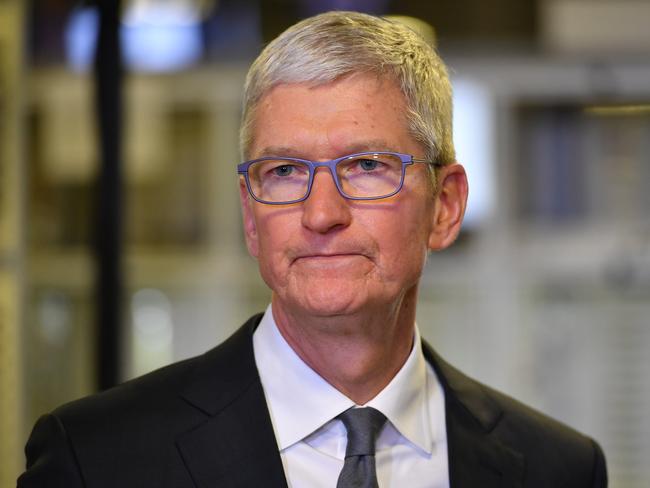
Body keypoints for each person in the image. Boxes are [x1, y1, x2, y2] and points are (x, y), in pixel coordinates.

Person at [19, 11, 607, 488]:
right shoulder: (98, 461)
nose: (322, 214)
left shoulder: (556, 469)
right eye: (283, 171)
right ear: (251, 218)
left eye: (368, 166)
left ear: (446, 206)